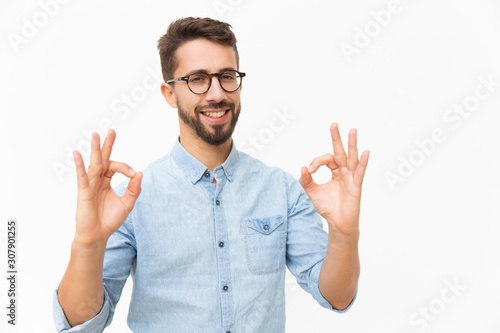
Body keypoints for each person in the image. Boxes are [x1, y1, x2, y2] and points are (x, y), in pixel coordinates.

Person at [53, 16, 370, 332]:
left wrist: (344, 232)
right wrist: (87, 242)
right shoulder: (130, 199)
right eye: (198, 78)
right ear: (169, 93)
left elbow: (337, 296)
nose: (217, 93)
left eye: (227, 76)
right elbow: (81, 324)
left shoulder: (282, 189)